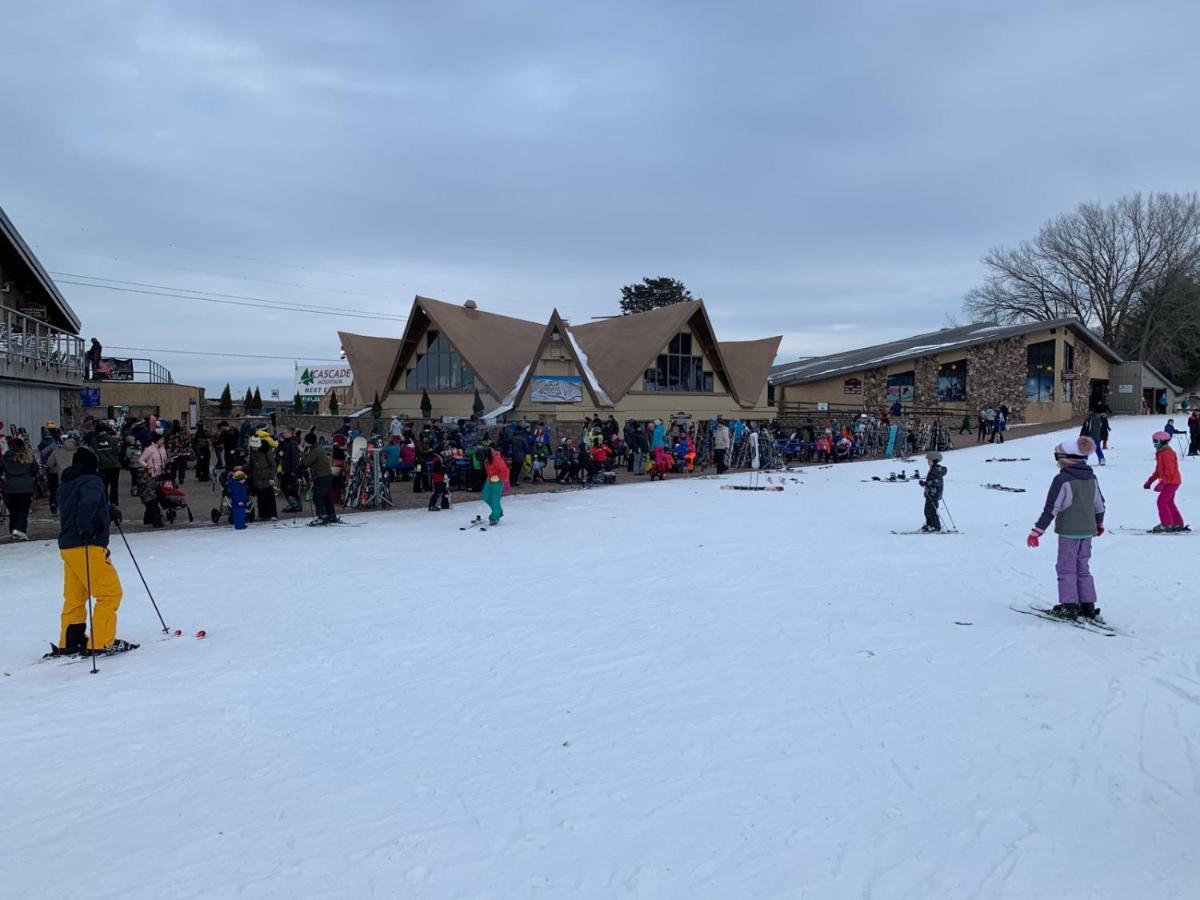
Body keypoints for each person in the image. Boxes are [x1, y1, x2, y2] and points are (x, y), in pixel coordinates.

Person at [49, 445, 136, 656]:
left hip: (68, 547)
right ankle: (102, 642)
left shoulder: (66, 484)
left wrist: (108, 511)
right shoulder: (92, 480)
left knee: (75, 596)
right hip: (87, 544)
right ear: (93, 464)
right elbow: (87, 503)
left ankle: (70, 641)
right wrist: (86, 525)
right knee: (110, 593)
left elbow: (83, 504)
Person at [1027, 436, 1106, 621]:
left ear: (1064, 458)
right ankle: (1087, 604)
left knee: (1066, 567)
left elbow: (1051, 508)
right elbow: (1099, 504)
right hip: (1087, 530)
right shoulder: (1091, 477)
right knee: (1083, 566)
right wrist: (1099, 522)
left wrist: (1037, 531)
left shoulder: (1062, 479)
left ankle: (1069, 605)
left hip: (1069, 531)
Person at [1145, 430, 1186, 533]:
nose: (1153, 443)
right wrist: (1150, 481)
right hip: (1170, 481)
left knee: (1161, 501)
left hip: (1171, 482)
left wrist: (1163, 483)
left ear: (1161, 441)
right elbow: (1158, 471)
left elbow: (1170, 471)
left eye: (1155, 441)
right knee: (1168, 501)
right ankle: (1177, 522)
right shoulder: (1161, 453)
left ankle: (1167, 524)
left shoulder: (1167, 453)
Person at [2, 438, 38, 541]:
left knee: (13, 511)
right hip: (26, 488)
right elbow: (35, 469)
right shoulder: (28, 457)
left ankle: (13, 530)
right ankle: (19, 530)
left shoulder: (5, 458)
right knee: (23, 510)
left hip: (10, 488)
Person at [301, 432, 336, 524]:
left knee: (318, 496)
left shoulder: (315, 450)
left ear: (309, 442)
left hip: (322, 476)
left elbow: (306, 462)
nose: (304, 443)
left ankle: (322, 516)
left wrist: (302, 452)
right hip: (325, 475)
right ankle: (331, 515)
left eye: (306, 441)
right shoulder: (317, 448)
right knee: (326, 496)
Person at [89, 424, 123, 504]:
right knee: (114, 484)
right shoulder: (113, 439)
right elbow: (117, 452)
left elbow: (93, 453)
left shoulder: (93, 441)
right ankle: (114, 501)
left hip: (102, 466)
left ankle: (104, 501)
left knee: (104, 485)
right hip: (114, 465)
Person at [247, 435, 278, 521]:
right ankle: (263, 514)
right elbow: (251, 464)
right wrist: (242, 467)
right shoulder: (252, 452)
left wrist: (272, 477)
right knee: (260, 498)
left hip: (266, 477)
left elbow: (273, 465)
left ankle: (272, 514)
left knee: (269, 497)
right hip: (257, 478)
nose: (254, 448)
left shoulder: (266, 450)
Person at [482, 446, 509, 525]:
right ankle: (498, 511)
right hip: (490, 479)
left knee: (495, 499)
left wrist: (499, 478)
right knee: (485, 496)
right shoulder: (486, 459)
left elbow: (505, 470)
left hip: (498, 481)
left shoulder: (497, 459)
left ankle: (495, 516)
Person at [920, 451, 946, 532]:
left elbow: (936, 482)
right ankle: (929, 525)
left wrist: (925, 483)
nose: (928, 461)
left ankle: (936, 527)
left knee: (931, 510)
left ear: (934, 460)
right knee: (927, 510)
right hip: (930, 493)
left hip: (934, 494)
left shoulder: (936, 470)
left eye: (929, 460)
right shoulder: (933, 469)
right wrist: (925, 484)